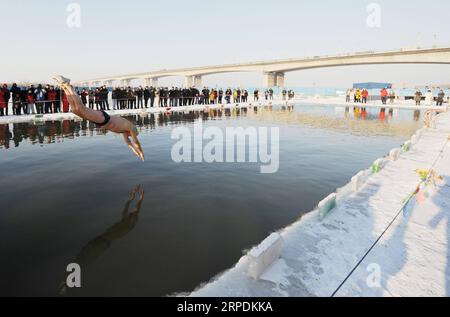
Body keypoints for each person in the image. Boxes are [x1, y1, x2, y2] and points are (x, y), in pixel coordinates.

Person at [53, 75, 144, 161]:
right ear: (134, 132)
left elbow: (129, 143)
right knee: (81, 108)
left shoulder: (125, 131)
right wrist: (141, 151)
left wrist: (134, 150)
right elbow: (136, 142)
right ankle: (68, 85)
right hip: (104, 118)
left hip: (101, 122)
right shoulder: (130, 127)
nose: (129, 137)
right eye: (131, 136)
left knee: (75, 110)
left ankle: (64, 87)